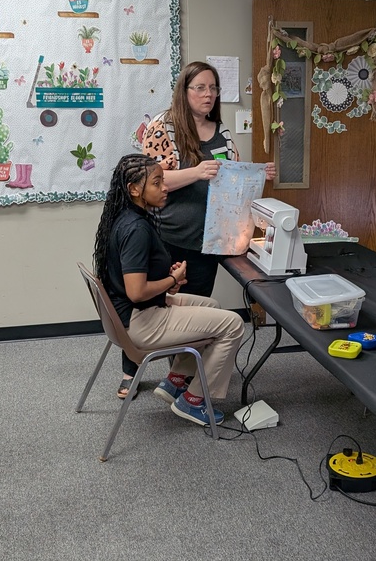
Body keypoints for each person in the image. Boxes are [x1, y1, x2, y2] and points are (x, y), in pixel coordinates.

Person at [93, 154, 245, 426]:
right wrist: (172, 279)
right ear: (134, 189)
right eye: (157, 182)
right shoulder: (136, 228)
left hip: (128, 316)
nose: (164, 188)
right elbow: (137, 292)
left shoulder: (125, 217)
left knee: (210, 307)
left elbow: (134, 276)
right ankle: (194, 401)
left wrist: (166, 278)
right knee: (233, 324)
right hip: (140, 321)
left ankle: (175, 382)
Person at [142, 60, 275, 298]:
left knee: (199, 307)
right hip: (169, 238)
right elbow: (149, 182)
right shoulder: (162, 127)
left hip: (208, 241)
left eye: (213, 88)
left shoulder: (220, 130)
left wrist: (258, 174)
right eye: (200, 88)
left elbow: (233, 176)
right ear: (184, 91)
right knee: (166, 309)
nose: (209, 94)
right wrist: (197, 172)